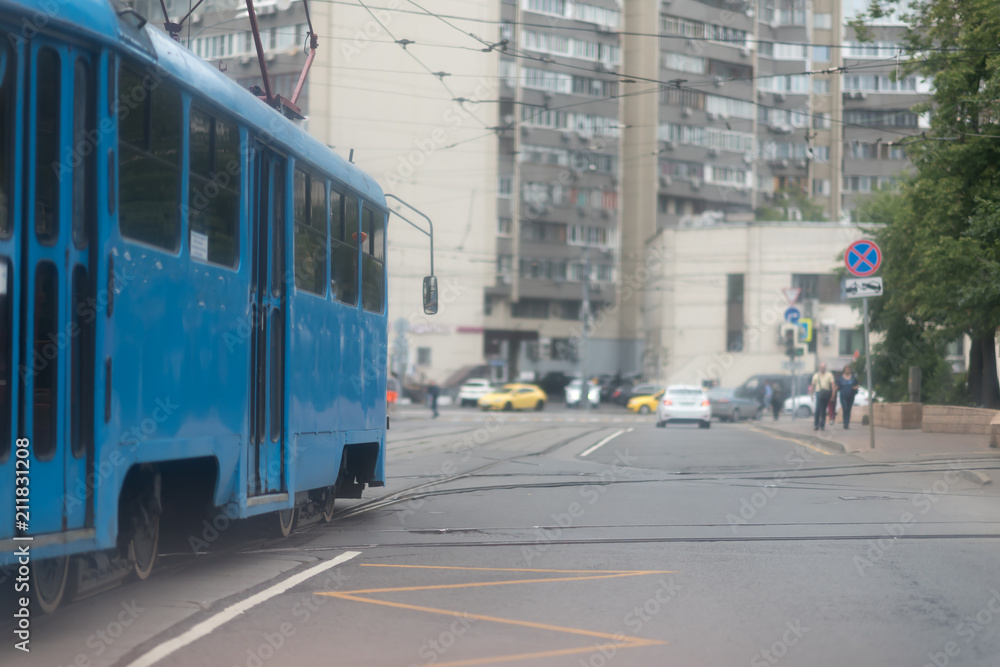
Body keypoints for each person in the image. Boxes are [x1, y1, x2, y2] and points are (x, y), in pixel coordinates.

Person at [809, 363, 835, 431]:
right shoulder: (816, 375)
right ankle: (816, 424)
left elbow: (832, 384)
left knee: (824, 410)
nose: (823, 369)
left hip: (826, 393)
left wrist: (833, 393)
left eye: (824, 367)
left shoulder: (829, 375)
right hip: (818, 393)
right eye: (821, 367)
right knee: (818, 409)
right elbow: (813, 385)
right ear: (819, 368)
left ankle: (822, 425)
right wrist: (811, 394)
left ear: (825, 368)